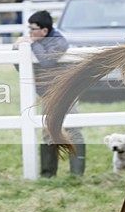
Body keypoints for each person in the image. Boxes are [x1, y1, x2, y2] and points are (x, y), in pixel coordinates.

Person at [14, 10, 85, 177]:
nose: (29, 33)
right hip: (48, 93)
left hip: (67, 91)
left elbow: (47, 61)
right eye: (29, 29)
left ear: (44, 31)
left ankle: (77, 174)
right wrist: (17, 48)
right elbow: (20, 67)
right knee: (48, 131)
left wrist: (31, 43)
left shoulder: (59, 42)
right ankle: (48, 174)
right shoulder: (35, 40)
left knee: (73, 129)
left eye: (33, 29)